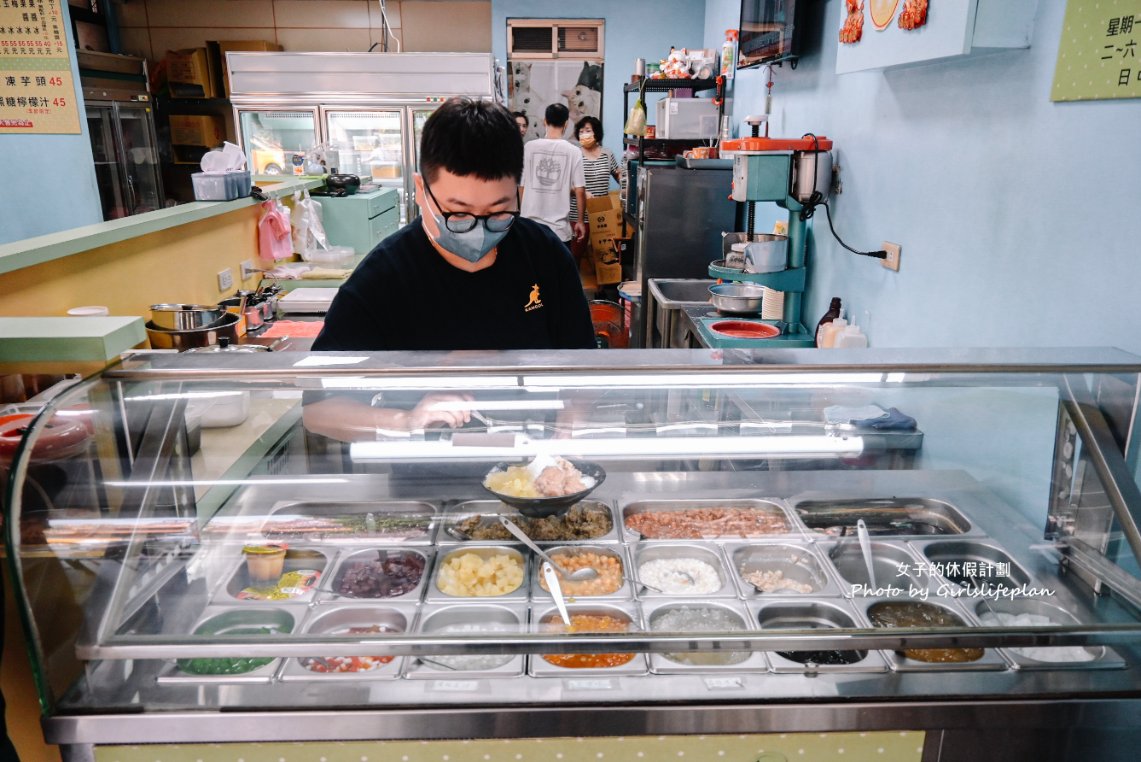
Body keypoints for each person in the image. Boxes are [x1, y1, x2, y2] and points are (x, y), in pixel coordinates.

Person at [304, 97, 595, 442]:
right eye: (458, 213)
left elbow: (585, 369)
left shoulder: (544, 255)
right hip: (430, 478)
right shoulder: (384, 277)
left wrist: (574, 417)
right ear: (420, 190)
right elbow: (318, 410)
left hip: (531, 470)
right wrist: (406, 420)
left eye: (499, 211)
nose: (480, 228)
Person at [519, 103, 587, 246]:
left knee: (533, 269)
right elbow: (580, 190)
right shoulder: (574, 151)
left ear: (545, 121)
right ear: (566, 124)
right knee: (559, 269)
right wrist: (580, 221)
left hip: (530, 229)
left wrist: (522, 214)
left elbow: (522, 186)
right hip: (559, 231)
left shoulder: (529, 147)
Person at [568, 115, 621, 243]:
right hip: (578, 215)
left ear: (596, 133)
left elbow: (619, 176)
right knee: (576, 253)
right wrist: (580, 192)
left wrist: (625, 179)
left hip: (602, 214)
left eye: (587, 130)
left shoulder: (607, 154)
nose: (584, 134)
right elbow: (566, 185)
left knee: (604, 255)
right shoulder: (575, 154)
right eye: (581, 132)